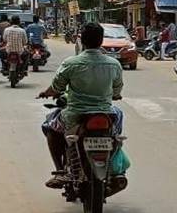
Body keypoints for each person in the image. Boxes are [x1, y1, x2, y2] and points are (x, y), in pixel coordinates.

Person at [38, 23, 124, 189]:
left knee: (49, 126)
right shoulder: (114, 64)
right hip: (106, 113)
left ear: (82, 41)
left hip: (75, 115)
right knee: (118, 121)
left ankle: (61, 171)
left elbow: (56, 87)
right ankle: (113, 160)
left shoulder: (71, 63)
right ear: (101, 41)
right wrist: (114, 94)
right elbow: (117, 89)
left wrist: (46, 93)